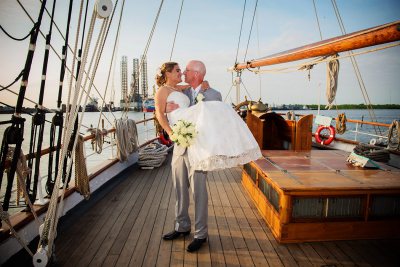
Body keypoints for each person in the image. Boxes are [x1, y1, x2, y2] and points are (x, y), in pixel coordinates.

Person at [155, 60, 261, 253]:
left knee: (199, 192)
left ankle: (200, 235)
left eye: (186, 70)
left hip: (200, 150)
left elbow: (219, 121)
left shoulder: (214, 94)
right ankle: (182, 227)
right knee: (180, 190)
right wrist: (166, 110)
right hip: (180, 147)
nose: (184, 73)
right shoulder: (182, 92)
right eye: (181, 70)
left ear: (196, 73)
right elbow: (165, 104)